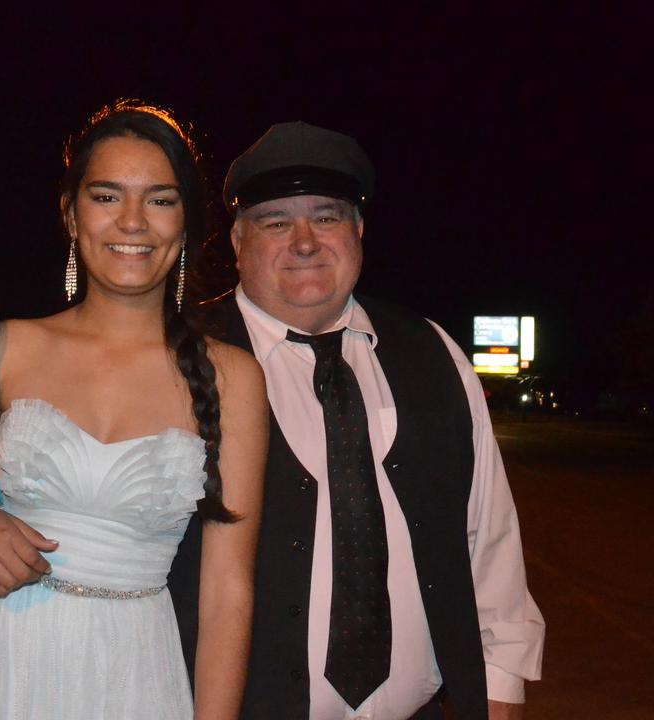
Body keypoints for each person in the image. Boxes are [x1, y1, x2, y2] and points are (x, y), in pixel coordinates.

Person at [167, 121, 545, 719]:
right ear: (238, 242)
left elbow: (489, 543)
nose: (304, 241)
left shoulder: (433, 352)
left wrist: (500, 691)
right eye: (275, 222)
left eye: (326, 216)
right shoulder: (178, 359)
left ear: (359, 230)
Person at [0, 101, 268, 719]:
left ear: (185, 223)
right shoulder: (6, 346)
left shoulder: (232, 377)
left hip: (133, 676)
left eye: (160, 200)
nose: (132, 222)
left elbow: (227, 594)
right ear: (70, 214)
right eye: (107, 196)